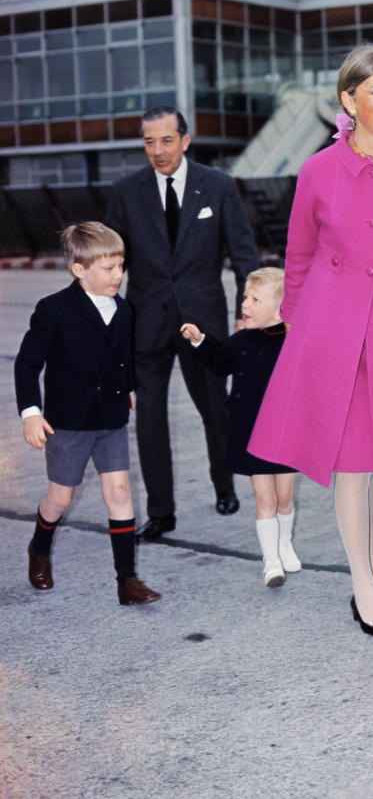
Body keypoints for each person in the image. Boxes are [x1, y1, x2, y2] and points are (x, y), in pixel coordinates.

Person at [249, 45, 373, 639]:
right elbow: (299, 256)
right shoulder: (317, 170)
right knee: (354, 465)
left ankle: (370, 548)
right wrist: (297, 331)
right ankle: (364, 583)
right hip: (331, 333)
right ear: (348, 101)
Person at [104, 106, 260, 540]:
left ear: (185, 141)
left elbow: (245, 258)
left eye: (166, 140)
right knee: (149, 417)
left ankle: (224, 484)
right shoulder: (125, 192)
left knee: (216, 408)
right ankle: (161, 511)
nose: (158, 151)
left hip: (203, 322)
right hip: (146, 324)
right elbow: (109, 264)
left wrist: (247, 317)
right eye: (149, 142)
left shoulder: (219, 187)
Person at [14, 222, 160, 606]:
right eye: (108, 268)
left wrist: (127, 386)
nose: (118, 275)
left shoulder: (124, 308)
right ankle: (40, 546)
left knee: (120, 492)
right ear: (80, 269)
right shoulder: (53, 310)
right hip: (68, 421)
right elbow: (27, 365)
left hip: (110, 418)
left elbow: (121, 356)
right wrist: (31, 412)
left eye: (120, 265)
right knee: (60, 499)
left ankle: (127, 581)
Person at [180, 268, 299, 588]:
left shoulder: (293, 342)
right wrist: (200, 341)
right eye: (246, 297)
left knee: (285, 496)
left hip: (286, 432)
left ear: (279, 308)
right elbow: (221, 363)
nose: (245, 304)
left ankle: (285, 544)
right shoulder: (241, 341)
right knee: (265, 499)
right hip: (251, 431)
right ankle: (271, 562)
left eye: (254, 299)